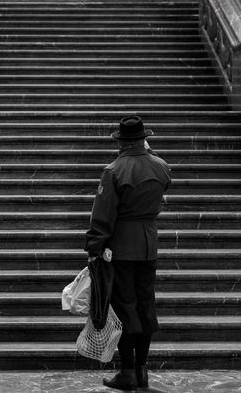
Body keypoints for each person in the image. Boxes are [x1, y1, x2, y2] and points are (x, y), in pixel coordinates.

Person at [85, 115, 172, 391]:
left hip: (121, 247)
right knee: (146, 305)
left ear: (122, 142)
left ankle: (128, 371)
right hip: (148, 245)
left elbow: (103, 214)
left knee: (124, 308)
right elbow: (163, 183)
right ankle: (143, 370)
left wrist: (95, 247)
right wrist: (149, 152)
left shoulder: (114, 171)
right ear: (144, 140)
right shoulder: (161, 167)